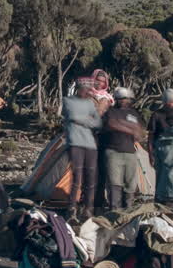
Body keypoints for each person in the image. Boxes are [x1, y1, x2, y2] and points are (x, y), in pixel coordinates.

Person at [62, 78, 102, 221]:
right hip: (75, 143)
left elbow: (98, 123)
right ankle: (72, 209)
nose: (87, 92)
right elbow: (72, 115)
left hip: (90, 144)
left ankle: (87, 210)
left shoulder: (90, 103)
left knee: (91, 179)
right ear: (78, 88)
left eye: (89, 90)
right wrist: (87, 120)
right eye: (85, 89)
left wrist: (82, 120)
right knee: (77, 177)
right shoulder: (67, 100)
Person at [102, 88, 145, 210]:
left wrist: (122, 124)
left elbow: (140, 133)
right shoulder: (111, 112)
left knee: (130, 183)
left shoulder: (135, 113)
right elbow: (111, 123)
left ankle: (128, 210)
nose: (124, 101)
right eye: (121, 99)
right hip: (113, 152)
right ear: (116, 99)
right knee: (114, 183)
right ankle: (114, 212)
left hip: (130, 152)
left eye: (126, 99)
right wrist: (131, 128)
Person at [148, 88, 173, 156]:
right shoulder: (156, 115)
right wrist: (150, 153)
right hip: (161, 152)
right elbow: (151, 136)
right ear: (166, 102)